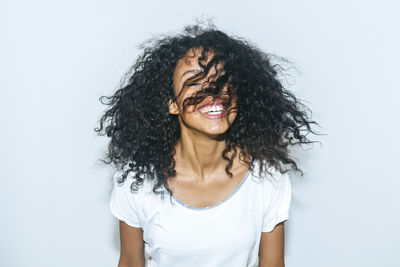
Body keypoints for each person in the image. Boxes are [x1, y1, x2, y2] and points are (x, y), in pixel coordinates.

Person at [95, 22, 319, 267]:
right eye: (194, 81)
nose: (213, 92)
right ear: (172, 104)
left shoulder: (267, 178)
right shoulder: (136, 182)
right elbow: (129, 262)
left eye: (222, 80)